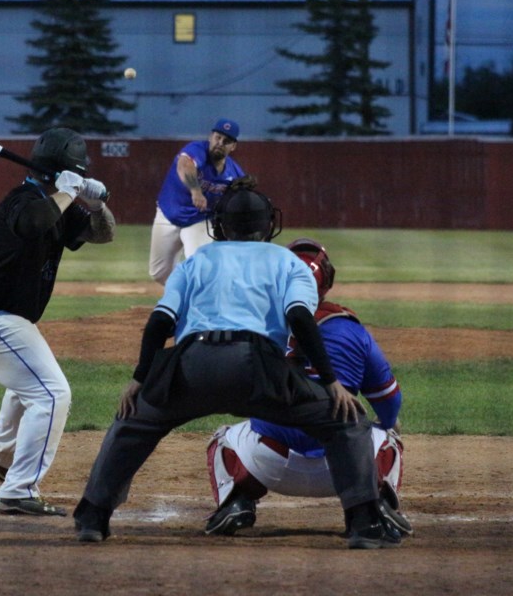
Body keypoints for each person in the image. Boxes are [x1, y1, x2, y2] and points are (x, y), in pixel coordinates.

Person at [73, 178, 401, 549]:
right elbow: (300, 319)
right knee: (348, 420)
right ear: (269, 224)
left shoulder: (197, 261)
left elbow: (160, 323)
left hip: (191, 365)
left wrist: (139, 379)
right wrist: (330, 381)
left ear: (220, 225)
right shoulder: (286, 262)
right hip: (258, 369)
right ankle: (363, 524)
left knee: (132, 421)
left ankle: (92, 517)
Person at [0, 127, 115, 517]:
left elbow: (104, 235)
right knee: (53, 394)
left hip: (1, 316)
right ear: (66, 170)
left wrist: (97, 203)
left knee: (31, 382)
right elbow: (36, 222)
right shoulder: (24, 200)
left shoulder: (57, 201)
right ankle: (18, 490)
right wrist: (70, 191)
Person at [204, 238, 412, 538]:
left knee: (223, 437)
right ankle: (377, 506)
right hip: (346, 466)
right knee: (389, 436)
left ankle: (235, 503)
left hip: (267, 461)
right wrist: (388, 423)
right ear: (327, 281)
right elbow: (390, 401)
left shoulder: (256, 324)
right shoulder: (351, 330)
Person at [148, 118, 245, 285]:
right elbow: (184, 165)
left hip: (199, 220)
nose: (220, 143)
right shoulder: (196, 150)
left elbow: (239, 200)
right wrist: (195, 190)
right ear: (210, 137)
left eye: (226, 141)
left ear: (233, 146)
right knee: (159, 273)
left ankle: (199, 301)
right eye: (217, 137)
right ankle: (182, 290)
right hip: (168, 215)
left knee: (200, 267)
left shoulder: (234, 172)